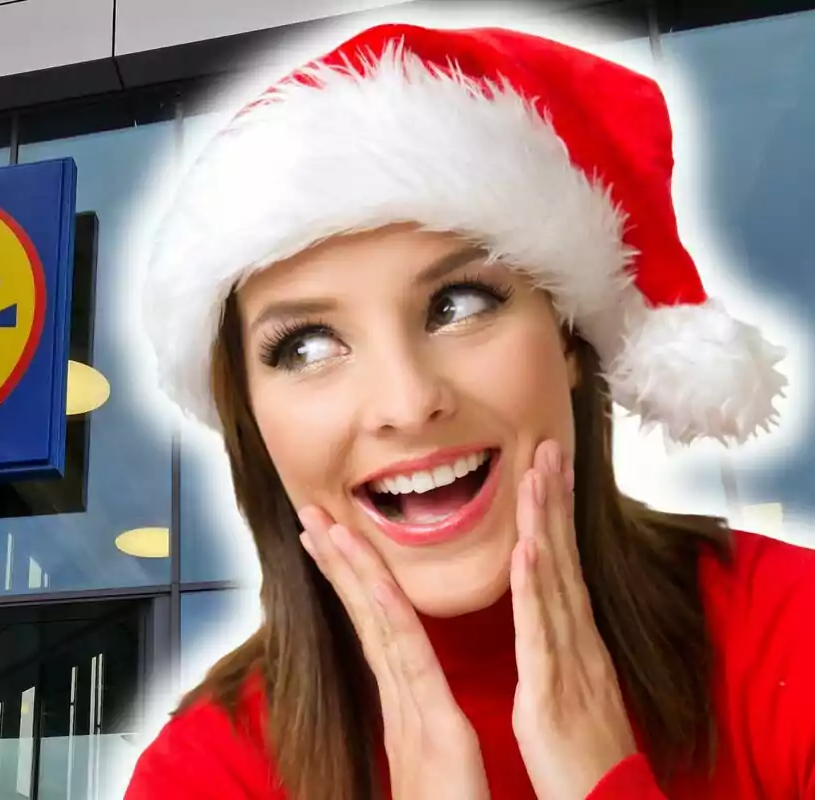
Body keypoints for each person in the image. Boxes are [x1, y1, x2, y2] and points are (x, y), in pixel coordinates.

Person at [123, 21, 815, 800]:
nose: (409, 402)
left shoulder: (791, 630)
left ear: (567, 341)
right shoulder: (206, 772)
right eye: (308, 347)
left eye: (458, 304)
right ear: (253, 421)